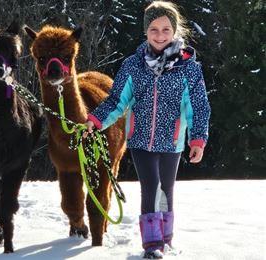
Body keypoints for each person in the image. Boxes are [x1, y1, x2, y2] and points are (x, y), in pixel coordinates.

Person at [85, 1, 211, 259]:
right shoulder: (133, 65)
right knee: (151, 186)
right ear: (146, 31)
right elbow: (116, 101)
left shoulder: (189, 69)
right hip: (140, 140)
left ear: (174, 31)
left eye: (166, 29)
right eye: (154, 29)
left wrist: (197, 139)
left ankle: (166, 239)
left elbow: (198, 106)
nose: (160, 35)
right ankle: (152, 246)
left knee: (166, 188)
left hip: (172, 141)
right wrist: (96, 121)